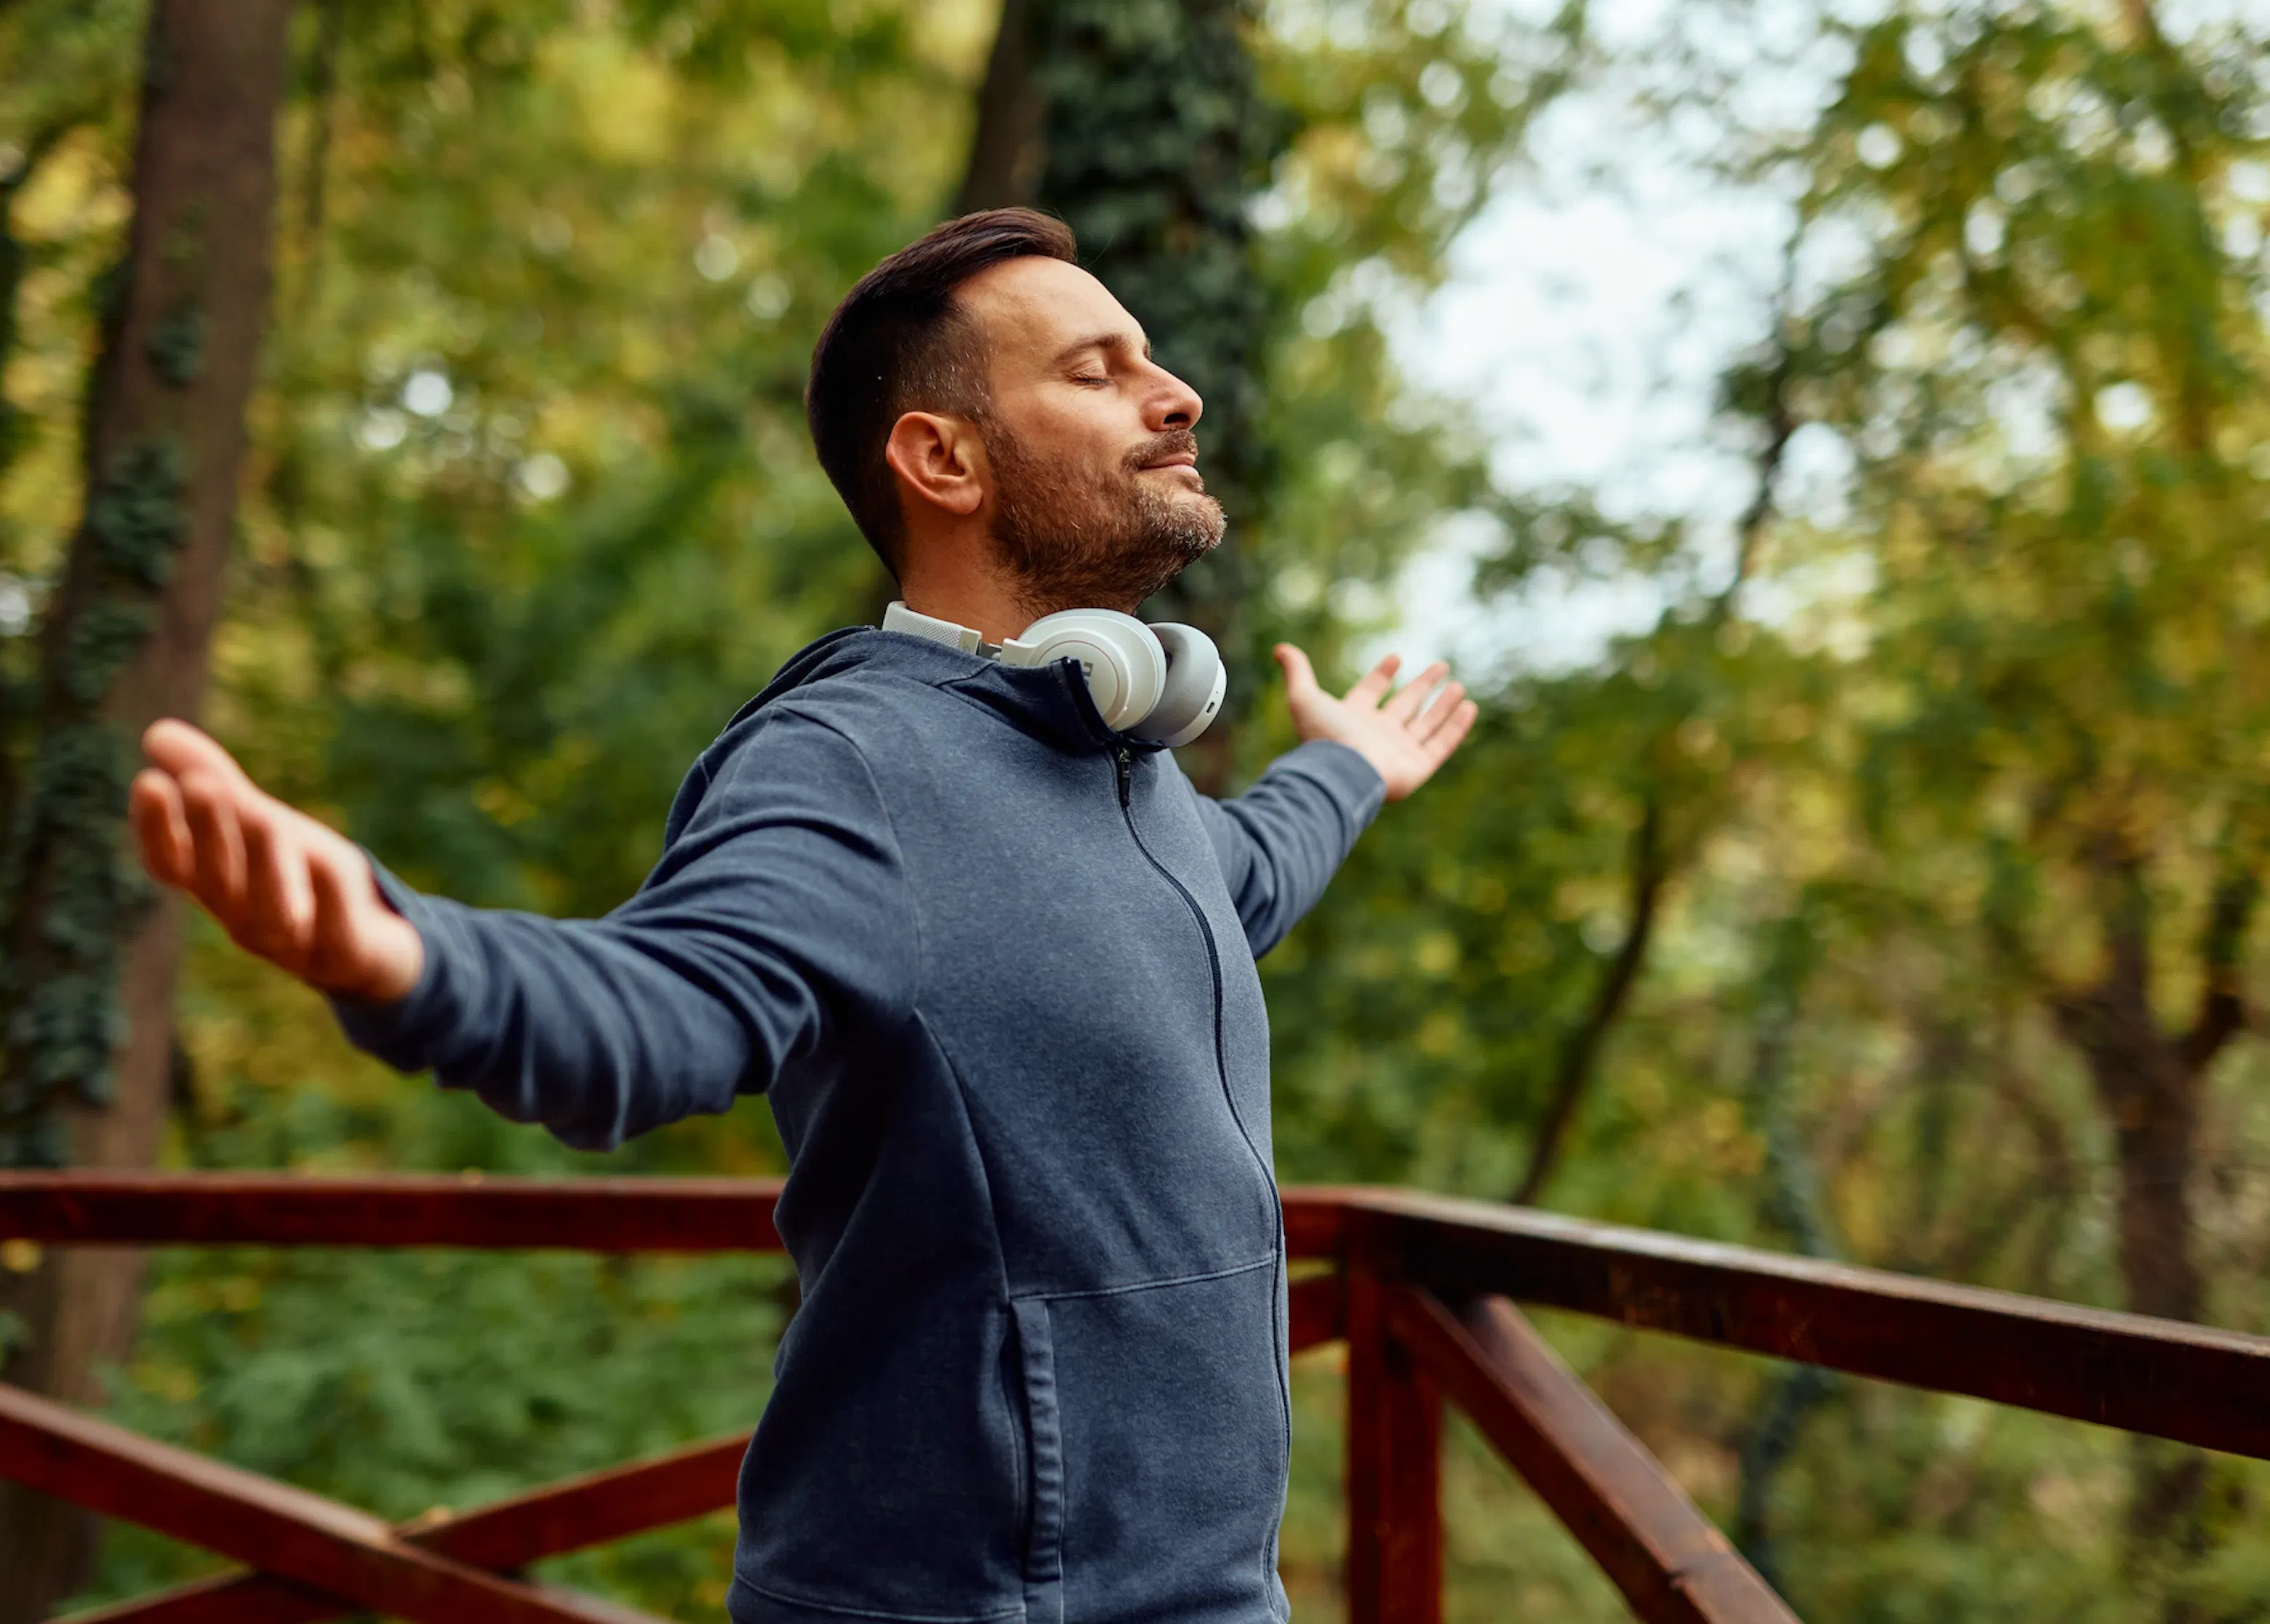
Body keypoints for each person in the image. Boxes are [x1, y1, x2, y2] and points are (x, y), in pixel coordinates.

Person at [128, 208, 1475, 1624]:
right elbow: (656, 1013)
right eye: (1094, 369)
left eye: (1150, 358)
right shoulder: (849, 765)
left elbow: (1248, 871)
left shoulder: (1122, 772)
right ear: (939, 458)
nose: (1175, 390)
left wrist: (1349, 767)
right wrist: (400, 952)